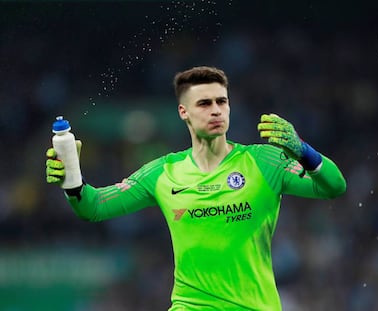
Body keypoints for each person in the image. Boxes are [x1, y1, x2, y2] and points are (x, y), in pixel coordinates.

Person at [46, 66, 346, 310]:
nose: (216, 110)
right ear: (183, 112)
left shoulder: (264, 161)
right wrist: (72, 181)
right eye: (204, 103)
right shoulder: (164, 172)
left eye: (222, 101)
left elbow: (334, 186)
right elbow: (94, 206)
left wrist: (304, 150)